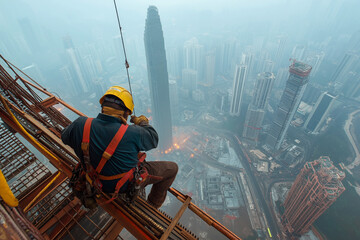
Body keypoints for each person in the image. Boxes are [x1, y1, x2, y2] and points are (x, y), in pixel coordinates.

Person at [61, 86, 178, 209]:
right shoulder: (133, 133)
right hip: (123, 186)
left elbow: (65, 137)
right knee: (172, 169)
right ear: (126, 113)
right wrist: (142, 122)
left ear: (103, 107)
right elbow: (153, 139)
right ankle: (153, 206)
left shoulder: (81, 124)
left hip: (92, 179)